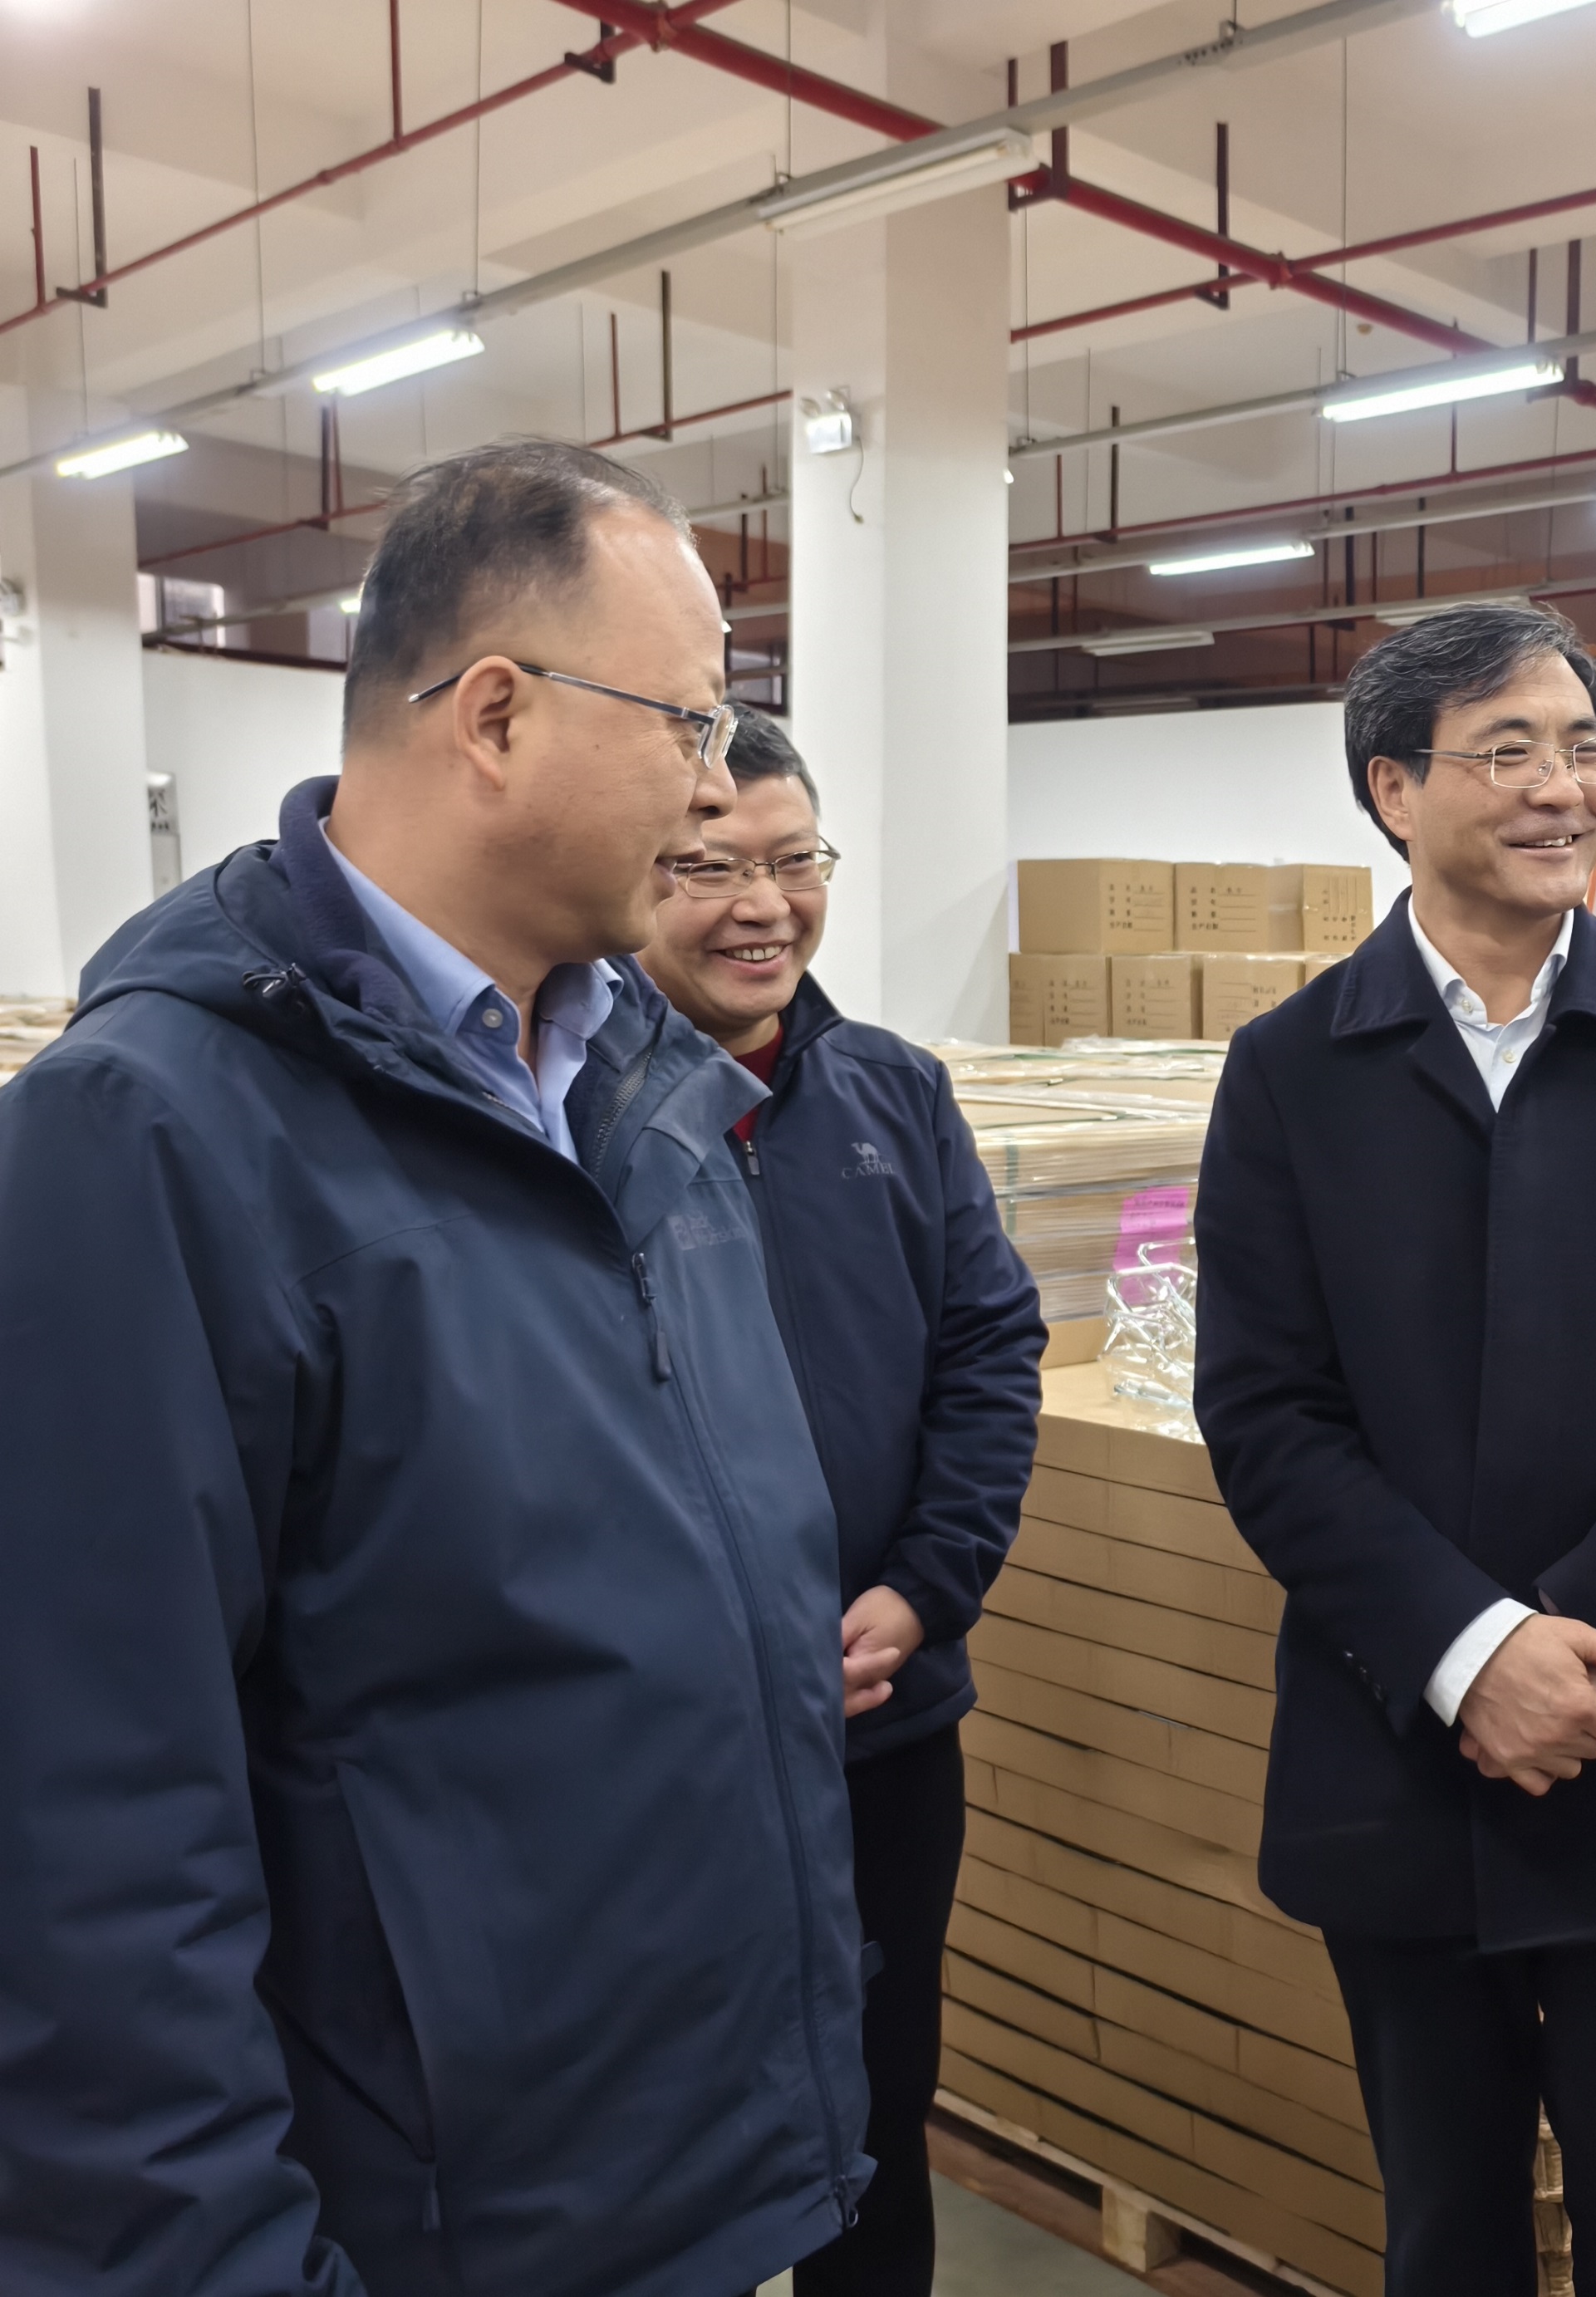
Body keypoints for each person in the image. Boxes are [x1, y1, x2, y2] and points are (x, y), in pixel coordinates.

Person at [0, 440, 872, 2296]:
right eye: (689, 722)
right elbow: (87, 1829)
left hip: (707, 2176)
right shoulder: (148, 1134)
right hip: (440, 2228)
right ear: (494, 715)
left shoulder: (640, 1089)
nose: (714, 785)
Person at [1192, 603, 1596, 2297]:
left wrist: (1577, 1648)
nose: (1565, 787)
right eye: (1509, 751)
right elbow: (1265, 1412)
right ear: (1393, 789)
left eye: (1584, 748)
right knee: (1444, 2234)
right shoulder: (1287, 1074)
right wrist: (1469, 1654)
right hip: (1399, 1764)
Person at [636, 714, 1047, 2297]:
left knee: (880, 2107)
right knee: (664, 2132)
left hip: (885, 1723)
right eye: (709, 867)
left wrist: (927, 1587)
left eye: (794, 860)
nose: (765, 905)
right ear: (635, 871)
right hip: (671, 1750)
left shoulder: (894, 1091)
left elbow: (988, 1347)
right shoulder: (568, 1110)